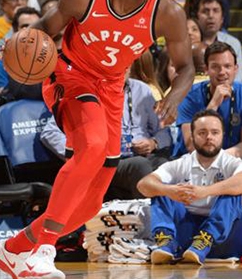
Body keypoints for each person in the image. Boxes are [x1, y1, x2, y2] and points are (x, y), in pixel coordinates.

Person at [0, 0, 194, 279]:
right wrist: (19, 48)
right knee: (93, 145)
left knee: (89, 204)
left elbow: (186, 66)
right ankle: (45, 249)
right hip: (70, 75)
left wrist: (174, 96)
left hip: (111, 89)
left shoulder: (167, 12)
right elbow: (43, 31)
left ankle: (14, 248)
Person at [174, 41, 242, 234]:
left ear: (236, 69)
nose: (222, 72)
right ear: (206, 69)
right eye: (215, 67)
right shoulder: (190, 94)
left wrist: (223, 159)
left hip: (230, 156)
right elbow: (191, 144)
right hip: (193, 159)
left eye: (227, 66)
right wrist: (213, 104)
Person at [138, 109, 242, 265]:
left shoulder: (232, 162)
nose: (209, 137)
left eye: (215, 132)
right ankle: (166, 243)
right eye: (202, 133)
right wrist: (170, 190)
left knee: (233, 191)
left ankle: (205, 240)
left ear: (222, 136)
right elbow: (143, 184)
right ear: (192, 137)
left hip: (226, 240)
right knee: (160, 188)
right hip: (187, 238)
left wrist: (205, 191)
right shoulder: (181, 163)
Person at [41, 76, 173, 200]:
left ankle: (169, 215)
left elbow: (163, 130)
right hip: (108, 162)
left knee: (165, 165)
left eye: (127, 66)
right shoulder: (85, 92)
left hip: (143, 154)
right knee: (139, 165)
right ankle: (149, 215)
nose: (123, 69)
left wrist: (153, 142)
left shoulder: (141, 89)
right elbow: (50, 132)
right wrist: (82, 155)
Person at [194, 0, 242, 82]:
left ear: (222, 19)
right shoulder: (188, 41)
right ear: (197, 17)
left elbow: (237, 79)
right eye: (205, 11)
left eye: (215, 11)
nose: (211, 16)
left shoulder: (233, 43)